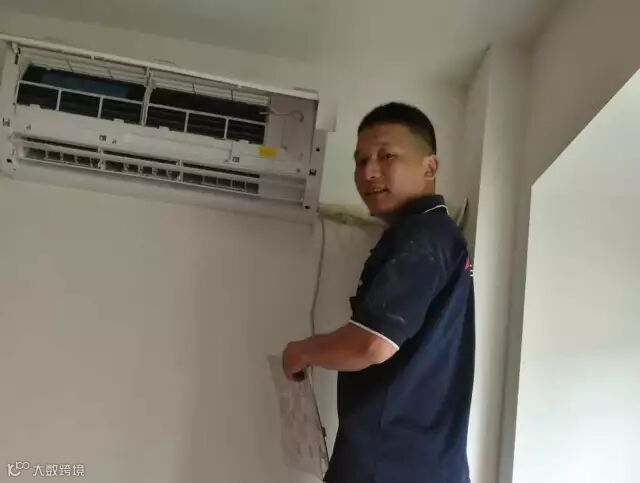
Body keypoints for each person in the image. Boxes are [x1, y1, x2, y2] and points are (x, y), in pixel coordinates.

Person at [282, 102, 475, 483]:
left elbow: (372, 345)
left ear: (429, 167)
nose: (368, 172)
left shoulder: (423, 238)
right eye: (360, 160)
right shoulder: (430, 237)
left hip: (392, 467)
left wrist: (302, 352)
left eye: (387, 156)